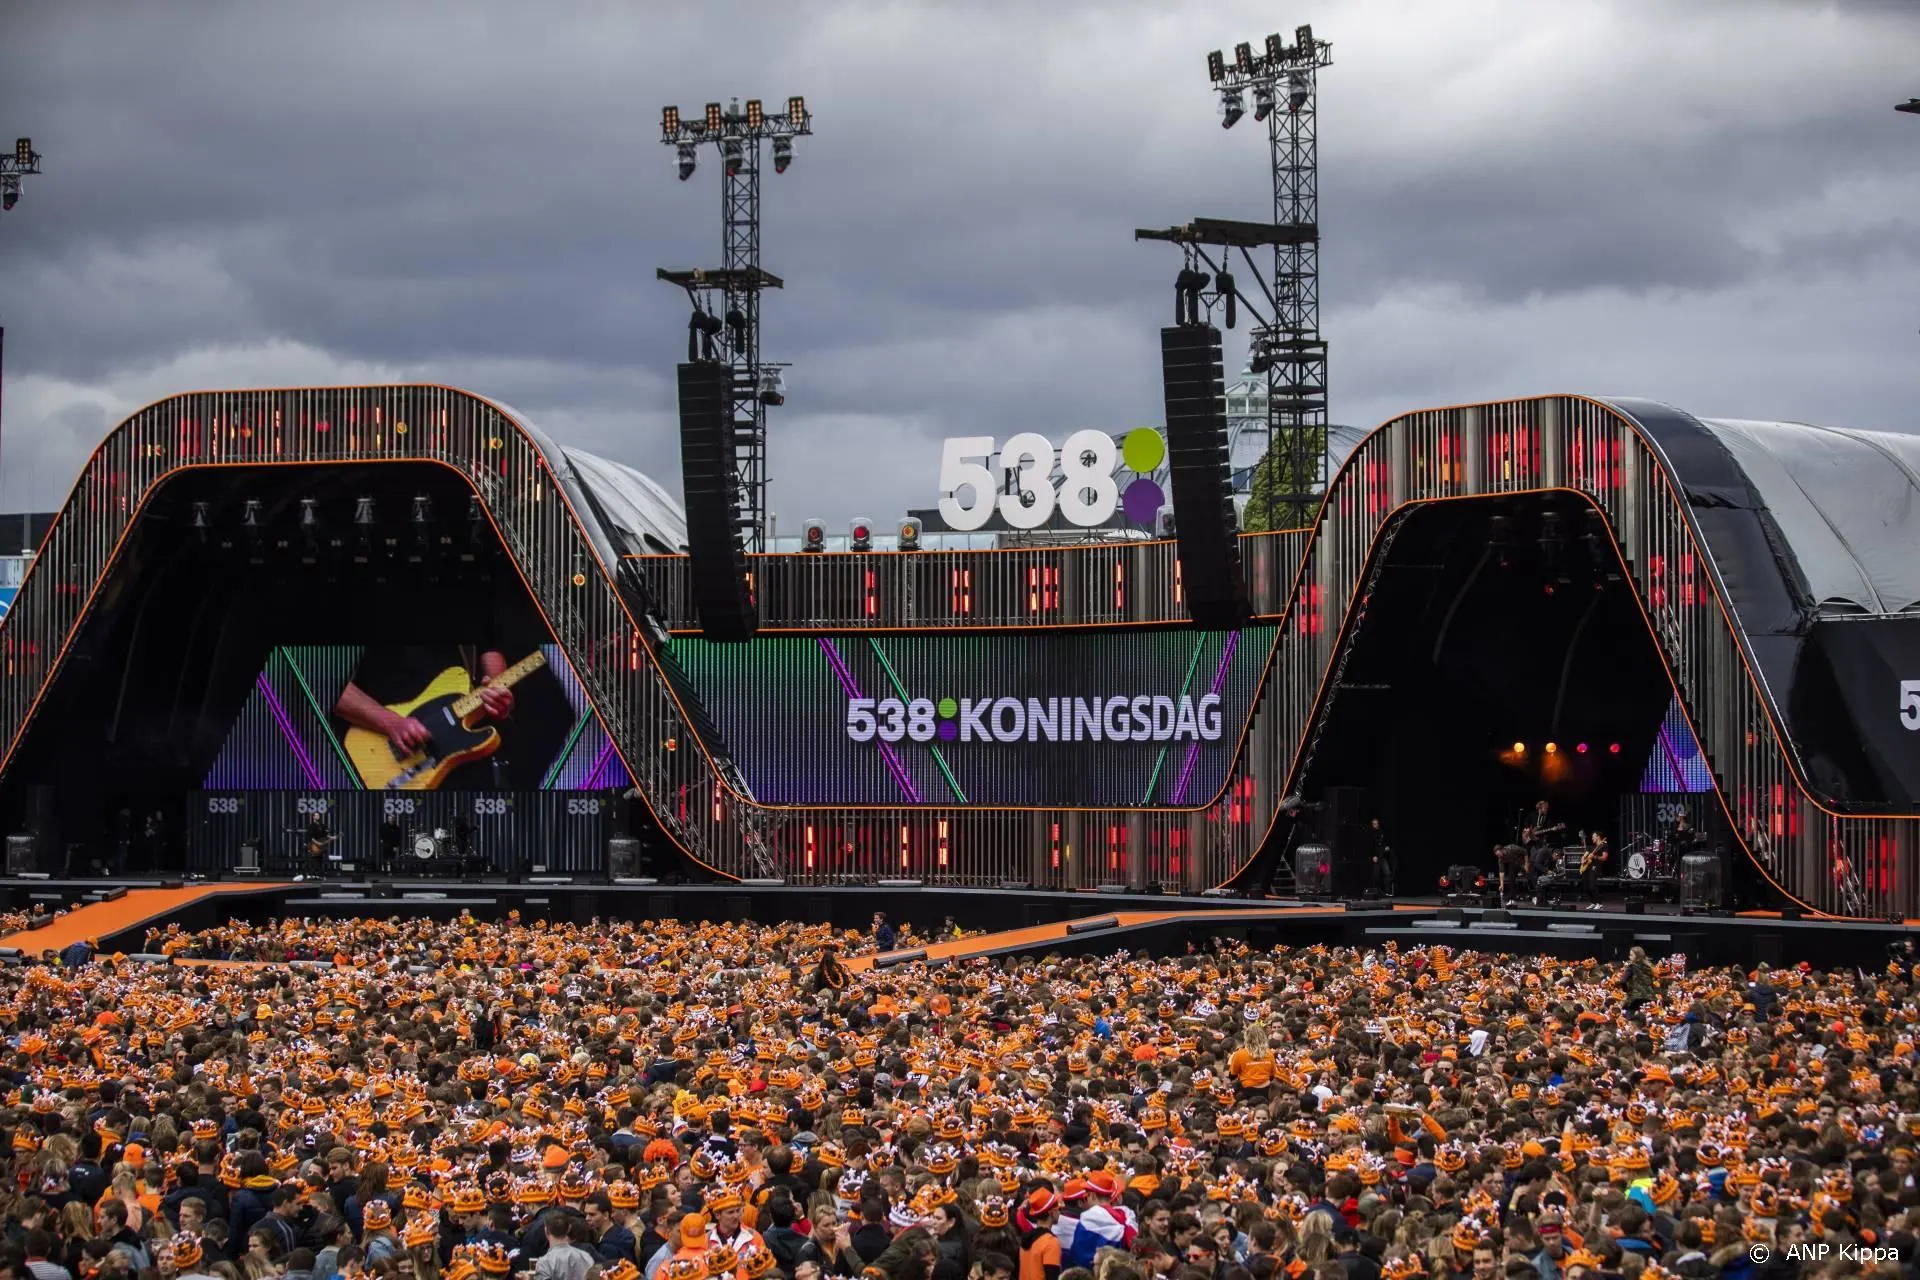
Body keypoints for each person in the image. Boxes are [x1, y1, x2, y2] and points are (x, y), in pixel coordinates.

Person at [333, 645, 517, 789]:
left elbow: (490, 647)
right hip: (388, 754)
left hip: (467, 755)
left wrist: (497, 693)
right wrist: (391, 722)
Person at [1366, 818, 1395, 897]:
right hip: (1376, 857)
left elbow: (1385, 842)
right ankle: (1377, 892)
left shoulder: (1382, 832)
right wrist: (1372, 856)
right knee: (1376, 875)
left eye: (1377, 823)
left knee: (1387, 873)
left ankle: (1387, 891)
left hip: (1382, 856)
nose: (1376, 825)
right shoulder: (1370, 833)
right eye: (1374, 824)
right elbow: (1369, 846)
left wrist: (1386, 847)